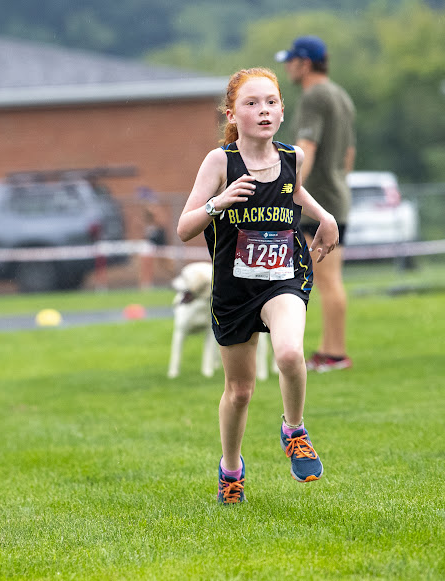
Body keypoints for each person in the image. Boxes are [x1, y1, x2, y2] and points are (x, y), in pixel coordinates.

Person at [176, 67, 339, 504]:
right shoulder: (220, 162)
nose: (262, 110)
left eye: (270, 101)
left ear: (282, 110)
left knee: (289, 352)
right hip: (234, 289)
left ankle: (294, 429)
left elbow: (296, 193)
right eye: (251, 103)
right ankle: (231, 470)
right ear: (233, 114)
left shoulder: (292, 158)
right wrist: (218, 202)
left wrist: (325, 217)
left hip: (284, 277)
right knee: (240, 390)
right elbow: (183, 228)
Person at [276, 36, 356, 372]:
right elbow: (349, 154)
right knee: (329, 279)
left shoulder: (314, 96)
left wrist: (287, 192)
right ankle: (328, 350)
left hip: (319, 203)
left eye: (290, 60)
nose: (287, 67)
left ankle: (335, 355)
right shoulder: (341, 95)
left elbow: (304, 148)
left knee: (326, 280)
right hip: (336, 197)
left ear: (304, 63)